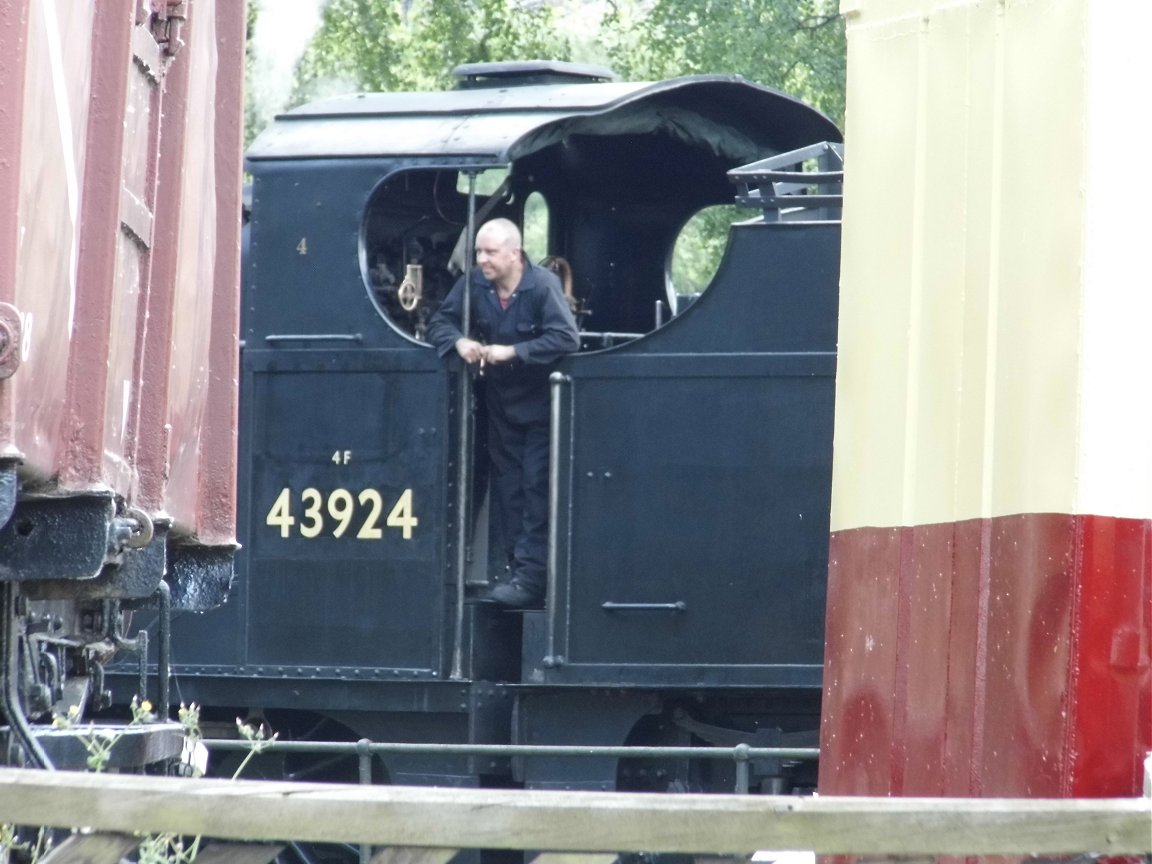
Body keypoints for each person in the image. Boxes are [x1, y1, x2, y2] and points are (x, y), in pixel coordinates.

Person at [427, 219, 579, 608]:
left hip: (543, 408)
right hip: (501, 407)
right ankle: (517, 573)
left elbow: (566, 337)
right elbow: (440, 321)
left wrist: (512, 351)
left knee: (536, 489)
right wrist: (459, 341)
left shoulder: (542, 286)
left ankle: (533, 577)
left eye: (490, 252)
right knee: (509, 491)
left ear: (515, 253)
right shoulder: (475, 284)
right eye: (479, 252)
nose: (482, 260)